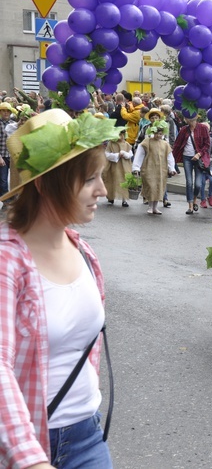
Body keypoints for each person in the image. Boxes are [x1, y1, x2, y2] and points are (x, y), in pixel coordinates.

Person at [0, 109, 118, 468]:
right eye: (89, 180)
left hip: (87, 436)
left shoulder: (83, 250)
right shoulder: (7, 260)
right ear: (44, 184)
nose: (102, 189)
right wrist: (31, 460)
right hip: (24, 443)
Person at [132, 120, 176, 215]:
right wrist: (136, 167)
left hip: (161, 170)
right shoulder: (147, 142)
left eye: (160, 134)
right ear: (153, 132)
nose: (158, 136)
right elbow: (140, 154)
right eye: (156, 133)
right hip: (149, 168)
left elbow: (169, 157)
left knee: (158, 187)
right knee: (151, 186)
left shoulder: (165, 144)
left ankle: (155, 207)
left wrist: (172, 168)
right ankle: (150, 206)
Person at [173, 115, 211, 214]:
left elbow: (207, 144)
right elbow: (177, 144)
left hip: (198, 158)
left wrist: (199, 154)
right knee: (189, 182)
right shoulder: (184, 130)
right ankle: (190, 205)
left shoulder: (203, 128)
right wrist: (171, 158)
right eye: (187, 119)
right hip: (187, 158)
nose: (189, 121)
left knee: (198, 184)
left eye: (191, 119)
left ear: (196, 119)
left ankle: (194, 200)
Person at [103, 129, 134, 207]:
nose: (121, 136)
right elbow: (107, 154)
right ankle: (111, 196)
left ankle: (124, 199)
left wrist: (124, 154)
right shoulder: (111, 144)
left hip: (125, 166)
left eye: (122, 134)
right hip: (113, 165)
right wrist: (116, 155)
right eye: (119, 134)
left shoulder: (127, 144)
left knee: (124, 181)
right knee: (112, 180)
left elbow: (130, 154)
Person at [0, 102, 15, 200]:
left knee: (14, 179)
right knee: (3, 180)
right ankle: (5, 200)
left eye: (8, 111)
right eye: (3, 111)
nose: (6, 113)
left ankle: (13, 197)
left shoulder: (13, 124)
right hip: (2, 156)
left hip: (12, 156)